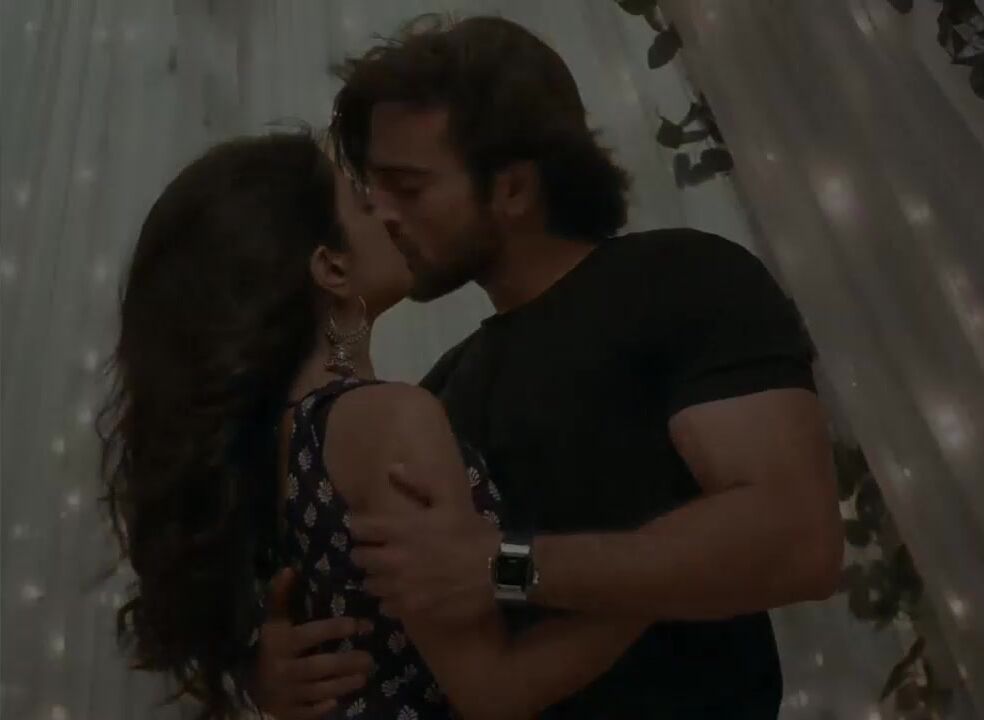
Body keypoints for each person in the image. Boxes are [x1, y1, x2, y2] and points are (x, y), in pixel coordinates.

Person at [259, 15, 844, 719]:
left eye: (406, 187)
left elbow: (798, 540)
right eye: (370, 188)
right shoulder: (444, 387)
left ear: (512, 189)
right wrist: (286, 667)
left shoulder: (680, 281)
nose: (379, 214)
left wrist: (507, 564)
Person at [101, 132, 654, 720]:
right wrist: (651, 586)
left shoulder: (265, 449)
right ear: (331, 267)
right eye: (365, 204)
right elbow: (493, 685)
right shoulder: (389, 421)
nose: (390, 214)